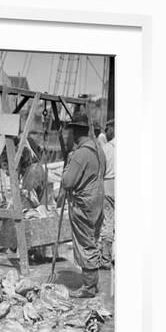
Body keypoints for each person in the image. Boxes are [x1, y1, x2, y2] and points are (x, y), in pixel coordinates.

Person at [61, 113, 106, 298]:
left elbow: (67, 182)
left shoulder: (80, 153)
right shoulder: (98, 149)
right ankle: (92, 284)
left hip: (83, 204)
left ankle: (88, 288)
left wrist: (67, 165)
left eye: (70, 131)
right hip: (97, 200)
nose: (68, 135)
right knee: (93, 241)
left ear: (75, 132)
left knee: (84, 243)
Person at [100, 118, 115, 268]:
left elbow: (101, 170)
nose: (106, 132)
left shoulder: (107, 148)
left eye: (108, 128)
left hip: (109, 183)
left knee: (108, 222)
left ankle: (105, 258)